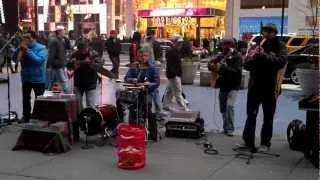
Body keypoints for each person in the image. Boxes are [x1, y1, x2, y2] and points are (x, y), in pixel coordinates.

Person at [241, 23, 288, 151]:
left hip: (270, 86)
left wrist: (264, 56)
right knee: (251, 114)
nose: (266, 33)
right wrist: (252, 58)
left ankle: (265, 143)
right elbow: (245, 65)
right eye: (265, 31)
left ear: (275, 33)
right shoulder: (257, 45)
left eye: (270, 31)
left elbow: (281, 62)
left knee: (268, 116)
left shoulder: (280, 46)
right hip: (255, 85)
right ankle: (248, 141)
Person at [208, 38, 242, 136]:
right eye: (223, 44)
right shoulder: (221, 55)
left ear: (232, 45)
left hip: (233, 85)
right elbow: (211, 63)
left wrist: (222, 68)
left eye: (228, 44)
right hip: (223, 85)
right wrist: (211, 65)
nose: (225, 46)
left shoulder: (237, 56)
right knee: (223, 108)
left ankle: (230, 129)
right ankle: (225, 127)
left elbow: (236, 71)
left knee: (229, 106)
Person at [118, 44, 160, 123]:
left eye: (145, 56)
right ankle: (125, 123)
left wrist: (148, 85)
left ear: (148, 56)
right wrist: (132, 80)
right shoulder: (134, 66)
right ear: (138, 57)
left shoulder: (152, 68)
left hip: (147, 91)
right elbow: (126, 78)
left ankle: (150, 125)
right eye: (141, 56)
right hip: (135, 91)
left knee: (146, 105)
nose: (143, 58)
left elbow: (157, 82)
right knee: (122, 102)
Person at [71, 40, 99, 141]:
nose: (83, 51)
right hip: (78, 82)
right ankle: (81, 125)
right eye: (81, 50)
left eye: (85, 49)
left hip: (90, 81)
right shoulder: (75, 53)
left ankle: (92, 126)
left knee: (90, 105)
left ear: (87, 47)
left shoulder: (94, 53)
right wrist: (79, 62)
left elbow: (99, 65)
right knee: (78, 105)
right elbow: (69, 64)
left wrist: (91, 62)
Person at [17, 31, 48, 123]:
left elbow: (38, 60)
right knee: (26, 98)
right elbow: (16, 59)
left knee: (39, 99)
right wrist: (18, 50)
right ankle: (26, 116)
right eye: (24, 38)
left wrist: (27, 50)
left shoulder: (42, 48)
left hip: (38, 79)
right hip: (26, 77)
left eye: (27, 37)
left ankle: (38, 117)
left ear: (33, 38)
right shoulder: (23, 48)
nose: (25, 40)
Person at [163, 37, 189, 112]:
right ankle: (184, 108)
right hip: (174, 75)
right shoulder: (171, 51)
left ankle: (165, 105)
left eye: (181, 43)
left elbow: (174, 63)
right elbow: (171, 65)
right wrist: (176, 74)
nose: (180, 44)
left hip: (174, 74)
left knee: (170, 91)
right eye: (179, 42)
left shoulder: (176, 51)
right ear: (175, 43)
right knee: (178, 92)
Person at [47, 26, 69, 93]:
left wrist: (66, 39)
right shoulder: (55, 41)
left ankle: (48, 93)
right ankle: (67, 95)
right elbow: (51, 54)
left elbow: (68, 47)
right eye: (63, 30)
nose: (64, 32)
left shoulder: (61, 40)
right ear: (59, 31)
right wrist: (49, 64)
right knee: (63, 81)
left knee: (52, 81)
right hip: (58, 65)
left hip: (60, 64)